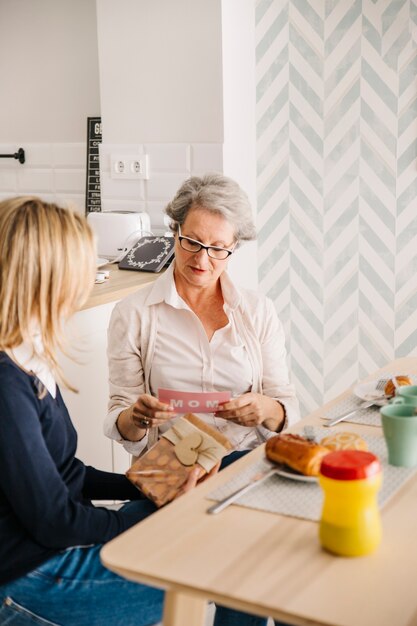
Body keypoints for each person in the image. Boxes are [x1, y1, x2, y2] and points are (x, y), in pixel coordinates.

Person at [0, 196, 265, 626]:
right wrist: (136, 530)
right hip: (31, 574)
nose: (91, 278)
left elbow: (67, 473)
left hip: (52, 543)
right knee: (229, 558)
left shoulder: (29, 355)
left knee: (226, 527)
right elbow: (53, 521)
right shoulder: (7, 383)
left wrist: (149, 488)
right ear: (44, 278)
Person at [105, 172, 299, 466]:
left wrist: (266, 409)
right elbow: (120, 422)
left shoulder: (258, 312)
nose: (202, 260)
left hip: (245, 465)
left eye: (218, 248)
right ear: (174, 231)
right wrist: (136, 417)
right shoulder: (133, 314)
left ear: (234, 247)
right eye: (191, 242)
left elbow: (287, 409)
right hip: (169, 472)